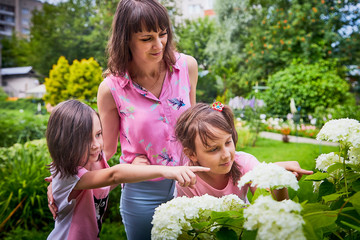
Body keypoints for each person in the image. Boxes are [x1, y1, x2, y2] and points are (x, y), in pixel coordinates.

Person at [97, 0, 198, 239]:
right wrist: (67, 181)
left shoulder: (186, 67)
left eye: (162, 34)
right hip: (142, 192)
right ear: (126, 39)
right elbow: (106, 150)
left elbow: (195, 127)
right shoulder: (112, 88)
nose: (158, 44)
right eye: (146, 38)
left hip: (190, 184)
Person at [46, 100, 208, 240]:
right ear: (64, 142)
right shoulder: (67, 176)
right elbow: (114, 175)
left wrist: (134, 169)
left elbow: (103, 186)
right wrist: (166, 171)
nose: (96, 145)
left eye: (98, 134)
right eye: (85, 140)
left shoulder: (92, 160)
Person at [175, 102, 313, 202]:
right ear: (191, 154)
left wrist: (278, 179)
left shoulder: (245, 163)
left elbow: (274, 207)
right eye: (213, 149)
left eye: (228, 142)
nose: (227, 155)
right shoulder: (188, 180)